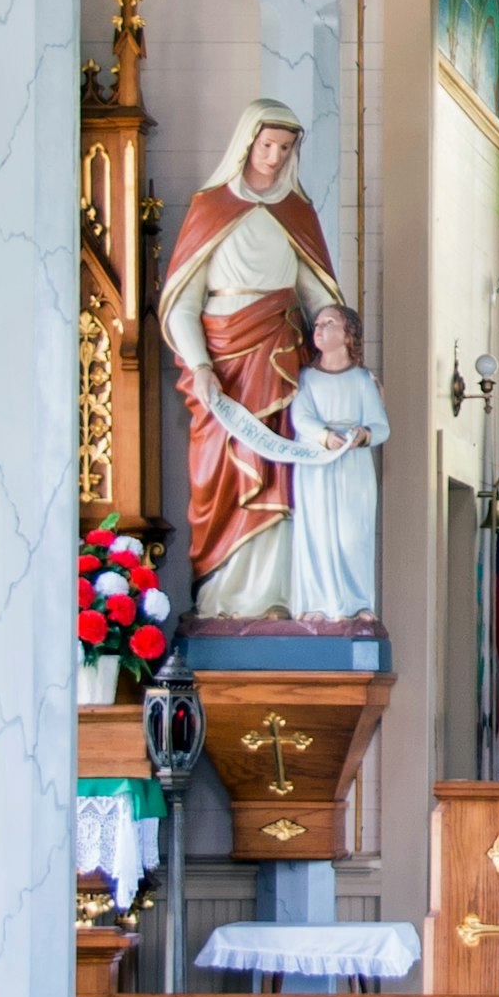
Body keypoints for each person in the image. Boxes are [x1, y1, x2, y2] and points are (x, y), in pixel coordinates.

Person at [157, 97, 346, 621]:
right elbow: (181, 304)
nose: (274, 156)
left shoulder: (296, 213)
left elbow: (317, 297)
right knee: (220, 475)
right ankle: (221, 598)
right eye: (267, 145)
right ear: (246, 143)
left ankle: (274, 598)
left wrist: (341, 353)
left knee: (279, 470)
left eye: (285, 148)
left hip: (279, 356)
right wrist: (199, 366)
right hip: (222, 363)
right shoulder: (210, 207)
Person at [198, 303, 387, 625]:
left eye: (329, 323)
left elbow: (381, 426)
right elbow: (301, 417)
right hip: (315, 464)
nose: (319, 329)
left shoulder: (361, 381)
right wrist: (324, 436)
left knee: (352, 535)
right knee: (316, 532)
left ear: (347, 335)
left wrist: (362, 435)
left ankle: (356, 604)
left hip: (352, 468)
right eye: (317, 324)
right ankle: (316, 602)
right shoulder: (307, 379)